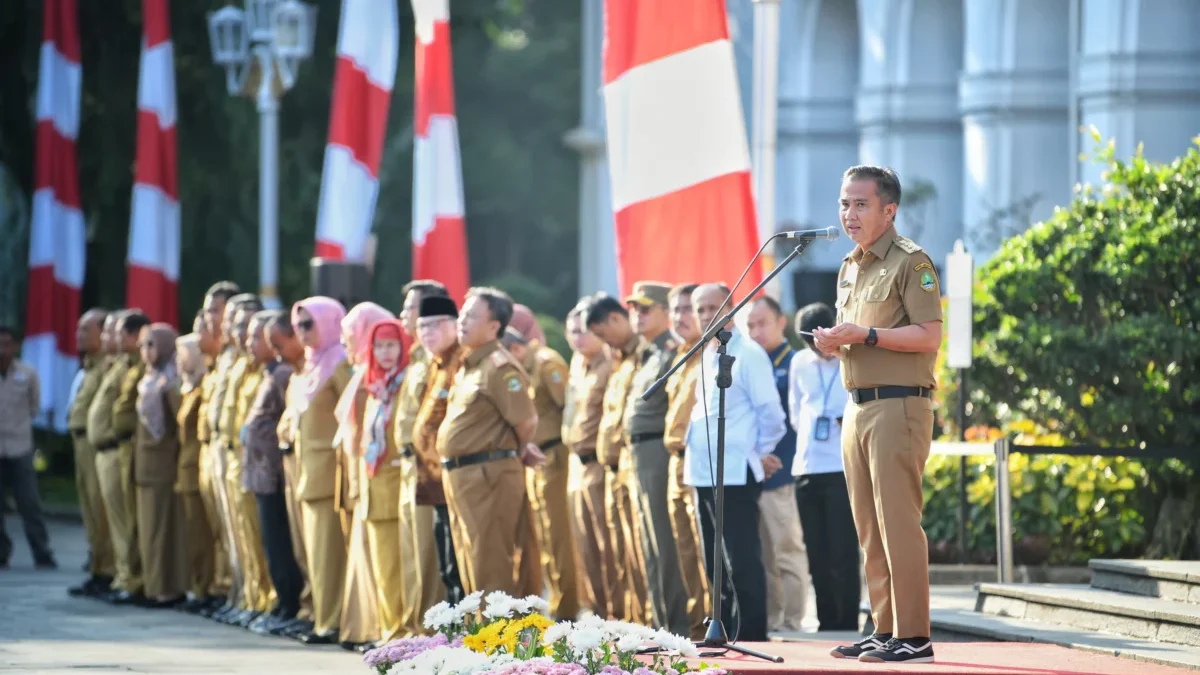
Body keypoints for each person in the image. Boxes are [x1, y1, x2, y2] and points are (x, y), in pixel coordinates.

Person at [815, 165, 942, 664]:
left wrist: (865, 336)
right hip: (858, 405)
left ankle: (914, 635)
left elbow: (929, 334)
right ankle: (884, 627)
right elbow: (859, 336)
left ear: (889, 210)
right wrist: (833, 343)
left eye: (861, 204)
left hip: (899, 406)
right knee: (868, 526)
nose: (849, 213)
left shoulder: (912, 263)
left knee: (897, 524)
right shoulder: (850, 265)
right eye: (845, 203)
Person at [684, 283, 786, 643]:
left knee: (740, 558)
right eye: (700, 309)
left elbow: (772, 414)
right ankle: (722, 631)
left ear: (731, 308)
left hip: (736, 472)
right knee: (714, 562)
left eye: (714, 306)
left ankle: (751, 634)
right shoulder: (705, 354)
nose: (706, 314)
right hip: (703, 470)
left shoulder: (749, 353)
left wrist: (758, 451)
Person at [438, 287, 543, 595]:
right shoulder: (471, 366)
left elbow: (527, 421)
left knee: (491, 564)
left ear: (494, 327)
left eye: (471, 315)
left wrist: (514, 449)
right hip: (465, 475)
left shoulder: (500, 367)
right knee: (471, 561)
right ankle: (481, 637)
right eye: (462, 314)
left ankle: (499, 639)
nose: (461, 321)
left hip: (489, 474)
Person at [504, 307, 579, 621]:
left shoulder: (547, 364)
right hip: (538, 459)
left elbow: (568, 408)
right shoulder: (526, 365)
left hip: (556, 456)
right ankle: (558, 603)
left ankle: (568, 608)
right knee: (546, 536)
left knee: (560, 536)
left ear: (518, 348)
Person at [285, 296, 353, 644]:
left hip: (329, 472)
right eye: (298, 325)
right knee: (312, 551)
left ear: (328, 323)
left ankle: (332, 622)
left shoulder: (339, 362)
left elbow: (353, 411)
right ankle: (319, 617)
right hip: (306, 471)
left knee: (328, 552)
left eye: (309, 324)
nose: (301, 332)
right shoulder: (311, 365)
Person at [622, 282, 689, 635]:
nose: (637, 314)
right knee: (647, 544)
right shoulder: (647, 353)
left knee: (664, 541)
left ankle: (677, 625)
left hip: (656, 451)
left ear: (666, 312)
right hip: (637, 452)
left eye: (645, 308)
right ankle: (661, 622)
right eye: (634, 308)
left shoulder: (671, 351)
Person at [789, 302, 859, 632]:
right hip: (806, 466)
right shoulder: (800, 362)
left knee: (843, 549)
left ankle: (846, 620)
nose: (816, 349)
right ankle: (826, 619)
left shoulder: (850, 357)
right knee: (816, 551)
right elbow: (794, 411)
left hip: (840, 466)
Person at [746, 295, 809, 633]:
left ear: (781, 322)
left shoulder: (795, 361)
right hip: (754, 473)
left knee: (787, 551)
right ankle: (772, 621)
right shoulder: (750, 362)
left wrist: (777, 460)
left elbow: (798, 420)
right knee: (764, 557)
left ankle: (793, 621)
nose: (756, 332)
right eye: (750, 325)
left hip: (781, 472)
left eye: (762, 323)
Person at [334, 302, 392, 650]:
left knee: (377, 558)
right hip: (358, 476)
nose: (346, 342)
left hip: (372, 477)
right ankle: (361, 627)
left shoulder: (376, 377)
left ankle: (374, 628)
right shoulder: (361, 372)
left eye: (351, 335)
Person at [584, 294, 645, 622]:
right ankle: (631, 619)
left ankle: (648, 619)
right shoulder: (620, 358)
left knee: (639, 551)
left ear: (615, 320)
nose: (603, 341)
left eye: (603, 332)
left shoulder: (641, 354)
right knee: (619, 552)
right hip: (611, 468)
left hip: (631, 465)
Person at [242, 314, 304, 636]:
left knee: (280, 539)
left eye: (259, 338)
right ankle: (279, 602)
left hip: (275, 472)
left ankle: (290, 601)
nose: (249, 344)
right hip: (259, 470)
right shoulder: (271, 373)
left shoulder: (283, 374)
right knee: (267, 540)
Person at [394, 281, 448, 634]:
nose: (405, 316)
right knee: (412, 553)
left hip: (429, 468)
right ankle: (415, 627)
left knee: (430, 555)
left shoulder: (439, 360)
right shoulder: (415, 358)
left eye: (410, 308)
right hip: (407, 466)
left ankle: (431, 630)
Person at [355, 318, 411, 643]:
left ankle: (402, 631)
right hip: (374, 488)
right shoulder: (376, 386)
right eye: (379, 346)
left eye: (392, 345)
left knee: (400, 566)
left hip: (396, 486)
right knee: (383, 566)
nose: (385, 352)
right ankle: (390, 628)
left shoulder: (403, 385)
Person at [410, 295, 468, 605]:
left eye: (435, 325)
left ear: (454, 326)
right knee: (445, 556)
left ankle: (466, 632)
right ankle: (453, 629)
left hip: (455, 475)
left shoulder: (461, 360)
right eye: (422, 327)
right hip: (433, 478)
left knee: (458, 558)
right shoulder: (435, 364)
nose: (427, 333)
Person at [662, 283, 709, 639]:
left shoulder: (710, 354)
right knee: (685, 554)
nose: (680, 317)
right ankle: (694, 630)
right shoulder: (681, 355)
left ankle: (710, 627)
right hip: (675, 462)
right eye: (674, 310)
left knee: (704, 551)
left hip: (699, 461)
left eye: (686, 309)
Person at [562, 301, 612, 619]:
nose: (578, 338)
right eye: (572, 332)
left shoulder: (609, 363)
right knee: (583, 546)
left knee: (607, 545)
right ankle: (594, 610)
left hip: (599, 462)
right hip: (575, 464)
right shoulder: (577, 364)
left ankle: (615, 612)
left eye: (584, 331)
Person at [132, 322, 187, 607]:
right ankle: (153, 587)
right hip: (144, 466)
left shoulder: (170, 382)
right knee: (149, 530)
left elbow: (180, 424)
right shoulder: (149, 379)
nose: (145, 351)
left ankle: (165, 589)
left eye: (151, 344)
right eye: (142, 345)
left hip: (163, 465)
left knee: (162, 530)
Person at [0, 325, 55, 570]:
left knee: (30, 503)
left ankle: (41, 551)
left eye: (7, 344)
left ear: (15, 346)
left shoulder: (28, 373)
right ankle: (2, 553)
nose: (3, 350)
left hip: (20, 447)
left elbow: (34, 407)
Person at [67, 309, 113, 595]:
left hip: (95, 445)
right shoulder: (88, 366)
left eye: (87, 329)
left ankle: (106, 571)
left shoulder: (106, 366)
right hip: (80, 443)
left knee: (100, 510)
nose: (79, 335)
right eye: (79, 329)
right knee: (89, 509)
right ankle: (97, 567)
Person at [174, 330, 218, 613]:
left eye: (184, 353)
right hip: (187, 466)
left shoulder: (203, 386)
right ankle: (197, 587)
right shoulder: (187, 386)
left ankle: (206, 588)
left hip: (198, 463)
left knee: (205, 534)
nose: (179, 360)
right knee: (193, 534)